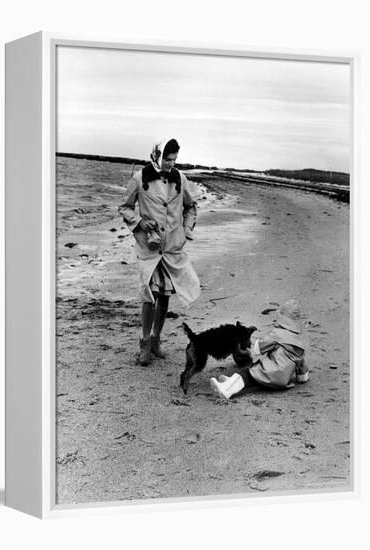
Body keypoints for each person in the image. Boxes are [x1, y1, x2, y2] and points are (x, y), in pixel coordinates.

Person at [118, 139, 201, 366]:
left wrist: (186, 231)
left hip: (172, 247)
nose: (171, 164)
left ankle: (156, 340)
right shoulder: (139, 178)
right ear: (157, 155)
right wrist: (139, 223)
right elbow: (124, 207)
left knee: (164, 296)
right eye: (167, 159)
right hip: (150, 247)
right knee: (149, 295)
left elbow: (191, 207)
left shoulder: (180, 179)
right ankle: (144, 343)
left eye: (174, 160)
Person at [210, 300, 309, 398]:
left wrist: (253, 349)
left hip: (270, 373)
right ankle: (231, 381)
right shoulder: (299, 343)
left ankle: (226, 389)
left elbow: (260, 346)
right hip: (283, 381)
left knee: (247, 374)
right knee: (255, 380)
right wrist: (302, 377)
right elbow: (302, 368)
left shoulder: (277, 334)